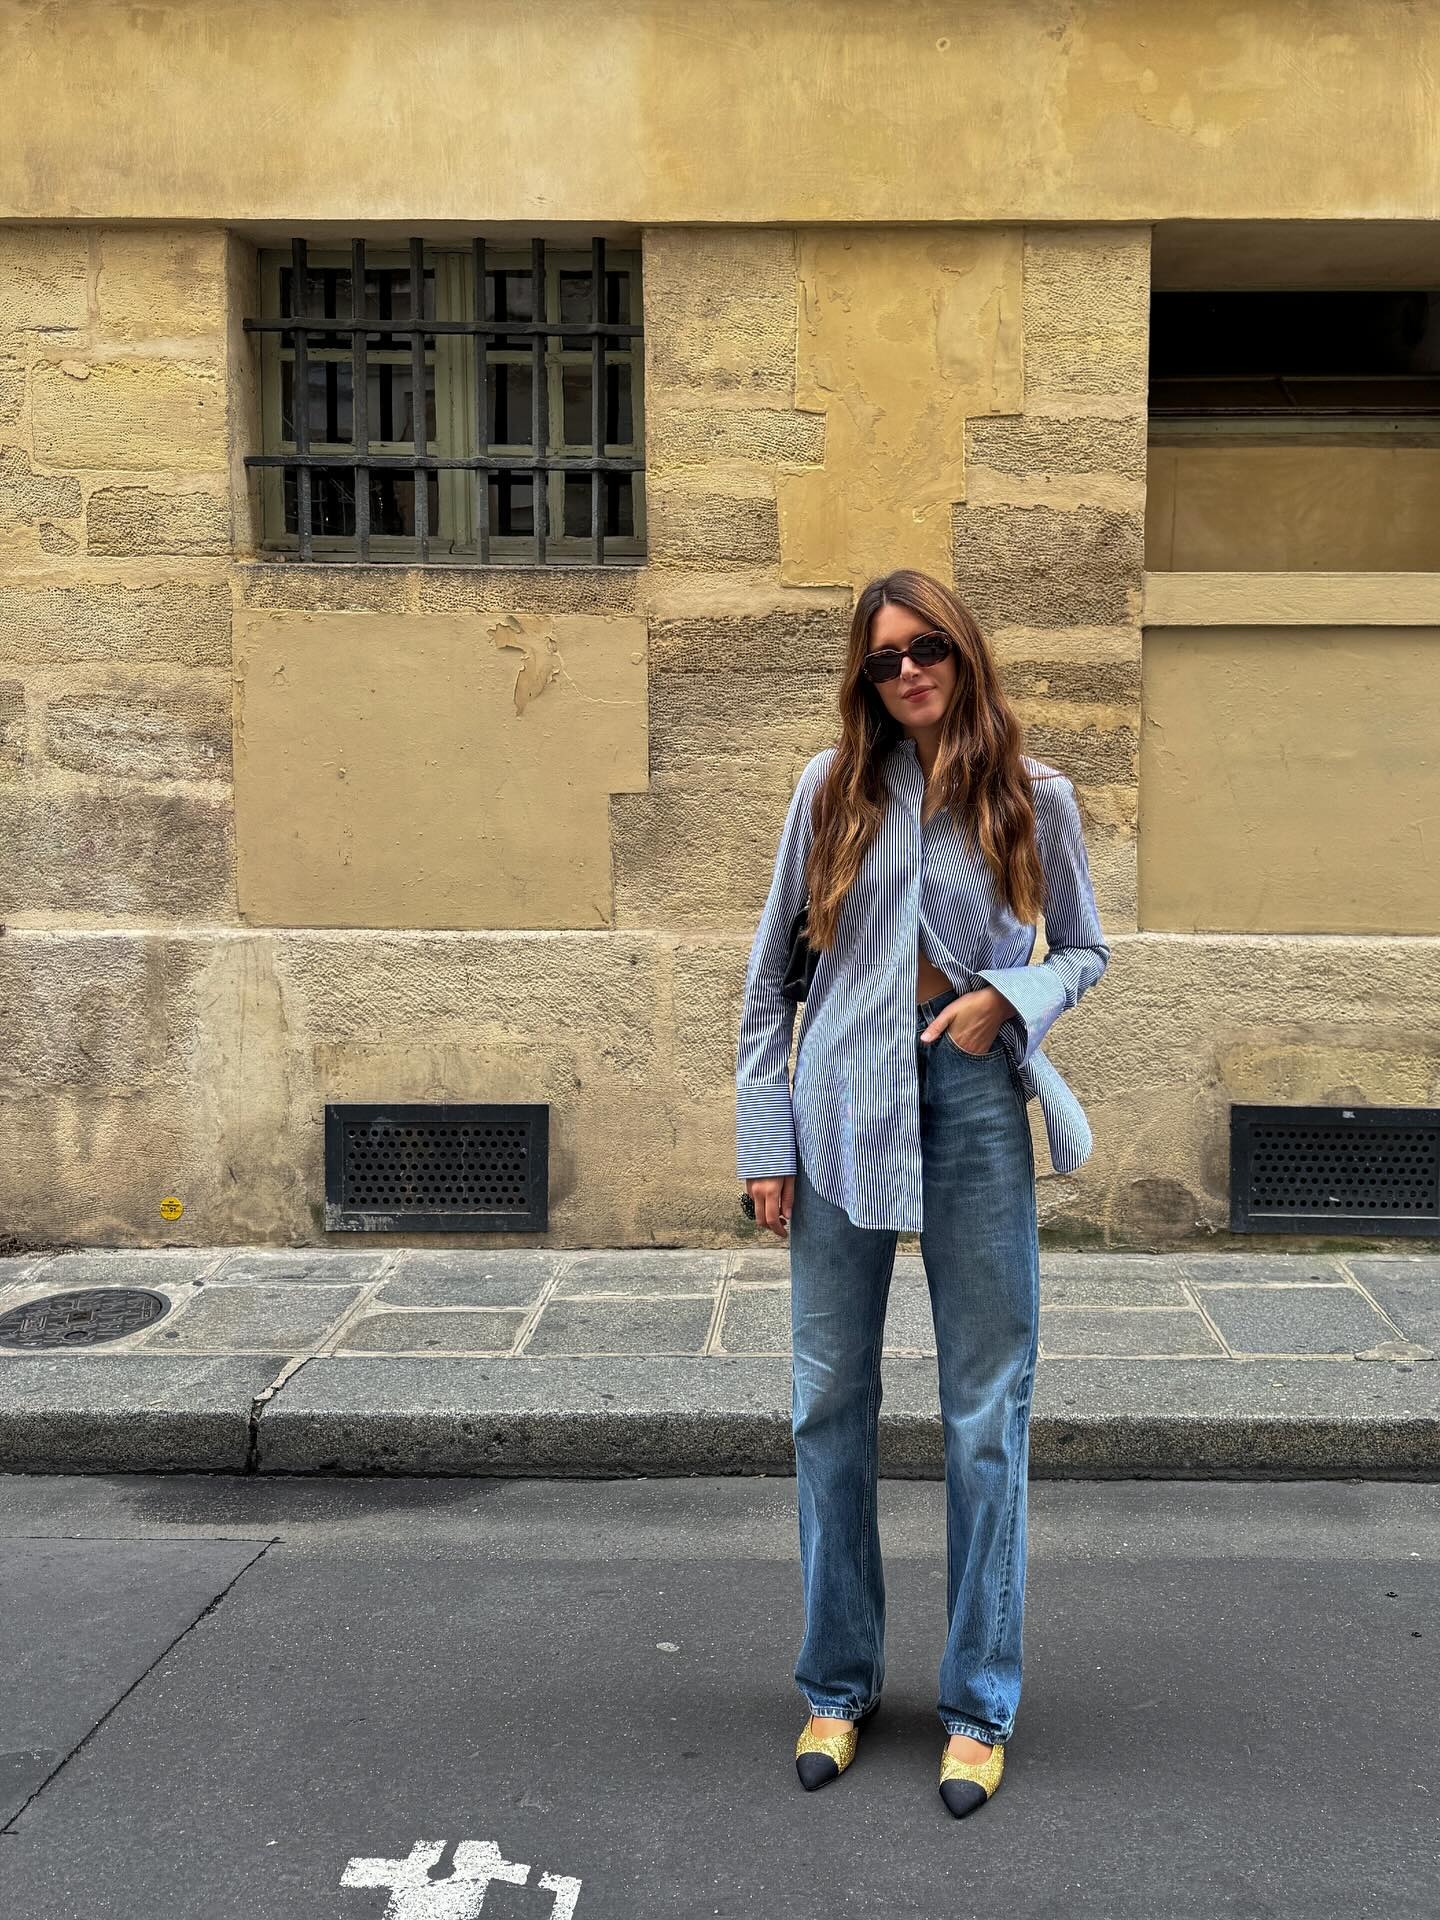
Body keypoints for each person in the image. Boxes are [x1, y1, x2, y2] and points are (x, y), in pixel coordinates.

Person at [735, 568, 1109, 1818]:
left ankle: (977, 1705)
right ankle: (838, 1686)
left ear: (964, 651)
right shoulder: (829, 789)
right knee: (826, 1400)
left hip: (968, 1113)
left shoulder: (1032, 796)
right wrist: (764, 1139)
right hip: (840, 1106)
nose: (907, 672)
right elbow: (769, 979)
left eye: (927, 647)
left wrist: (1012, 996)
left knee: (984, 1415)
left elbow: (1090, 950)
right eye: (884, 658)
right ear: (865, 677)